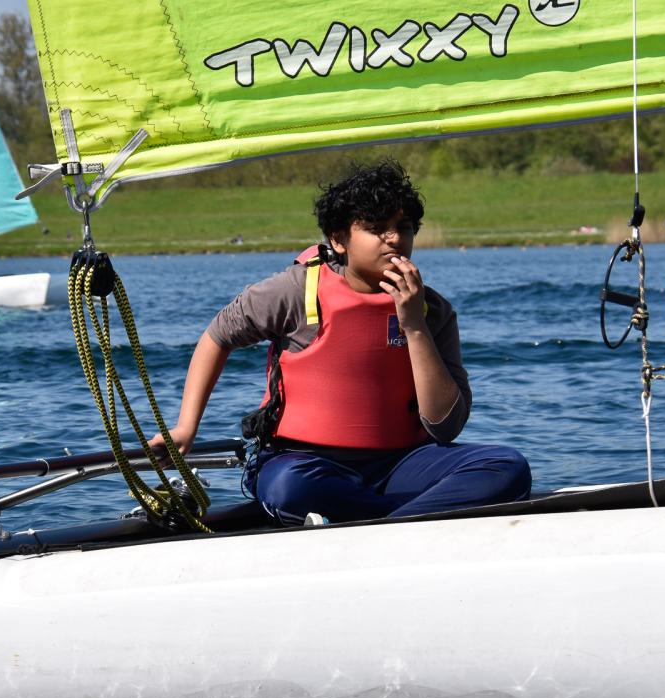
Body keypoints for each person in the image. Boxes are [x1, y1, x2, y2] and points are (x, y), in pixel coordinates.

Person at [152, 160, 530, 525]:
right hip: (303, 463)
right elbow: (217, 337)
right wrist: (186, 427)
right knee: (289, 488)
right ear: (338, 239)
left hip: (400, 464)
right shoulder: (294, 291)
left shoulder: (433, 311)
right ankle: (404, 517)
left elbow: (446, 428)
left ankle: (378, 521)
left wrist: (414, 325)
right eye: (377, 228)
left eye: (403, 227)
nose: (394, 239)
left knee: (506, 468)